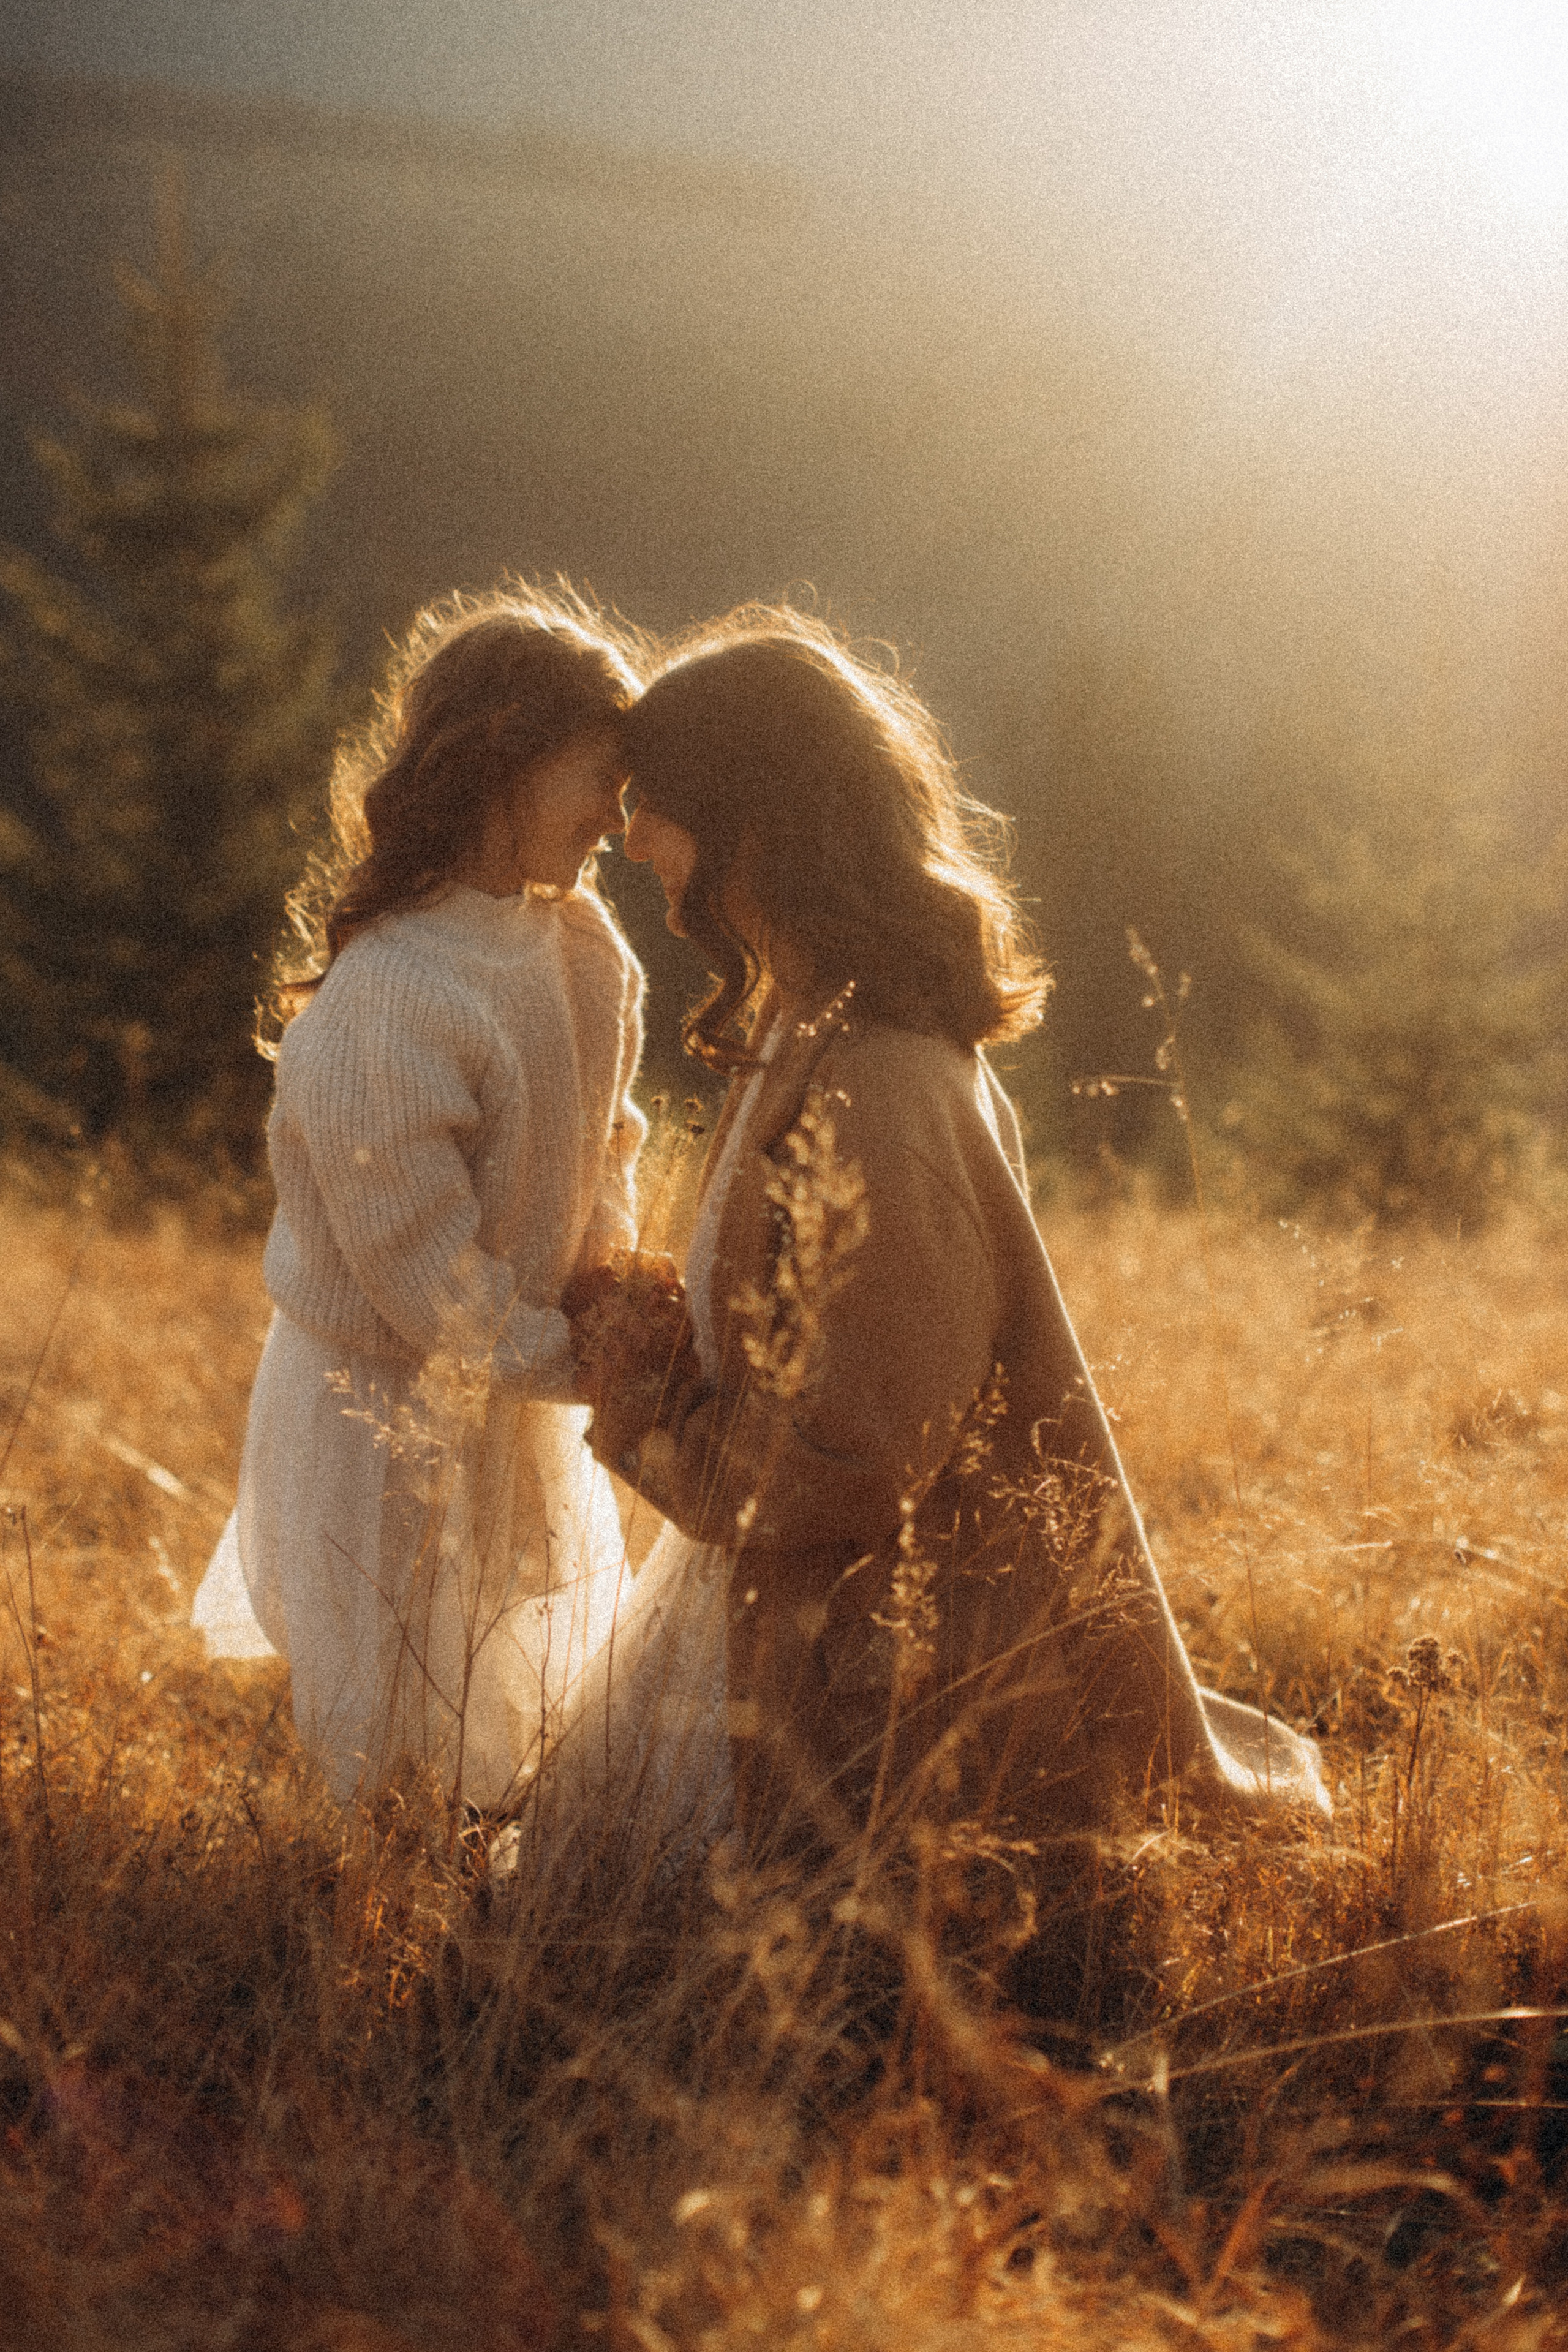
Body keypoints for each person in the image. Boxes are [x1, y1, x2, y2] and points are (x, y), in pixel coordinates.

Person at [577, 606, 1330, 1872]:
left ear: (758, 821)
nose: (630, 834)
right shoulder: (801, 1029)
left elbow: (859, 1457)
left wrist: (650, 1412)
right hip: (759, 1623)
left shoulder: (880, 1079)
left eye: (661, 802)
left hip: (867, 1701)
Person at [192, 586, 662, 1819]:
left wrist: (604, 1292)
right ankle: (374, 1943)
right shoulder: (388, 997)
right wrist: (579, 1360)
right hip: (379, 1404)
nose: (618, 816)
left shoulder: (583, 950)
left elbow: (612, 1135)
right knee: (397, 1727)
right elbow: (420, 1275)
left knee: (518, 1690)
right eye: (599, 776)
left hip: (527, 1380)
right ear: (504, 753)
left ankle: (498, 1919)